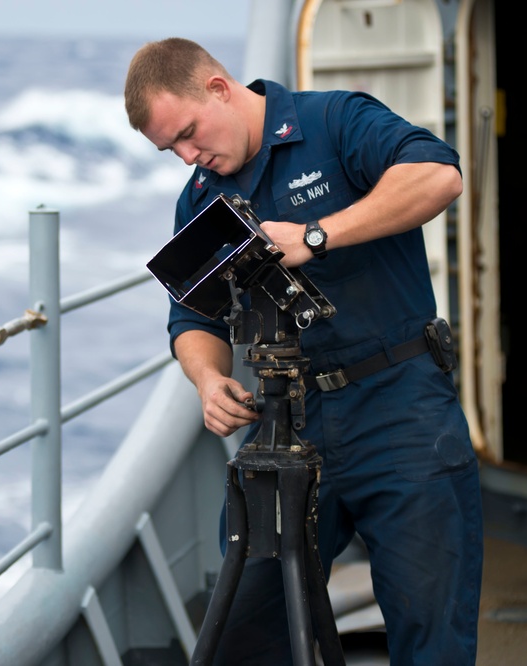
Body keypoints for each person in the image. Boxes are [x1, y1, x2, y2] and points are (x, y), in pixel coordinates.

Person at [125, 38, 482, 665]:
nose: (188, 157)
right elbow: (190, 312)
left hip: (398, 408)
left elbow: (438, 175)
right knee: (249, 630)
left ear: (217, 87)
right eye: (170, 150)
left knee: (431, 627)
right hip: (284, 420)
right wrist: (208, 380)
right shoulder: (202, 196)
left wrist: (318, 235)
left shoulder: (334, 121)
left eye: (187, 133)